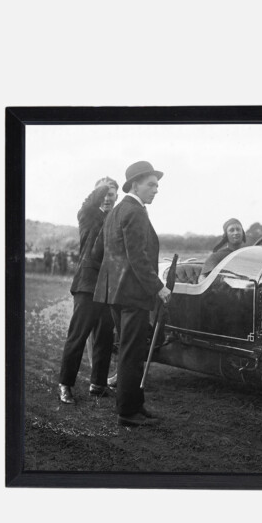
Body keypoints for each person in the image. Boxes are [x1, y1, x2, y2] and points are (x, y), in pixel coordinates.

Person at [93, 161, 171, 427]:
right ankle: (128, 411)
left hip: (114, 294)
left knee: (129, 350)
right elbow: (138, 257)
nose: (156, 190)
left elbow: (100, 253)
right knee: (131, 352)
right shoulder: (135, 211)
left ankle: (135, 405)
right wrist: (158, 287)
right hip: (132, 294)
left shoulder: (115, 211)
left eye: (158, 185)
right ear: (135, 184)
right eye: (151, 184)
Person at [57, 177, 119, 404]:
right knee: (78, 336)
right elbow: (91, 201)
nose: (106, 198)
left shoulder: (118, 218)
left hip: (109, 287)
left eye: (111, 194)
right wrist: (104, 187)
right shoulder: (87, 215)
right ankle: (64, 385)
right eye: (103, 194)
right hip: (87, 285)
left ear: (117, 197)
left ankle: (98, 384)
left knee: (104, 337)